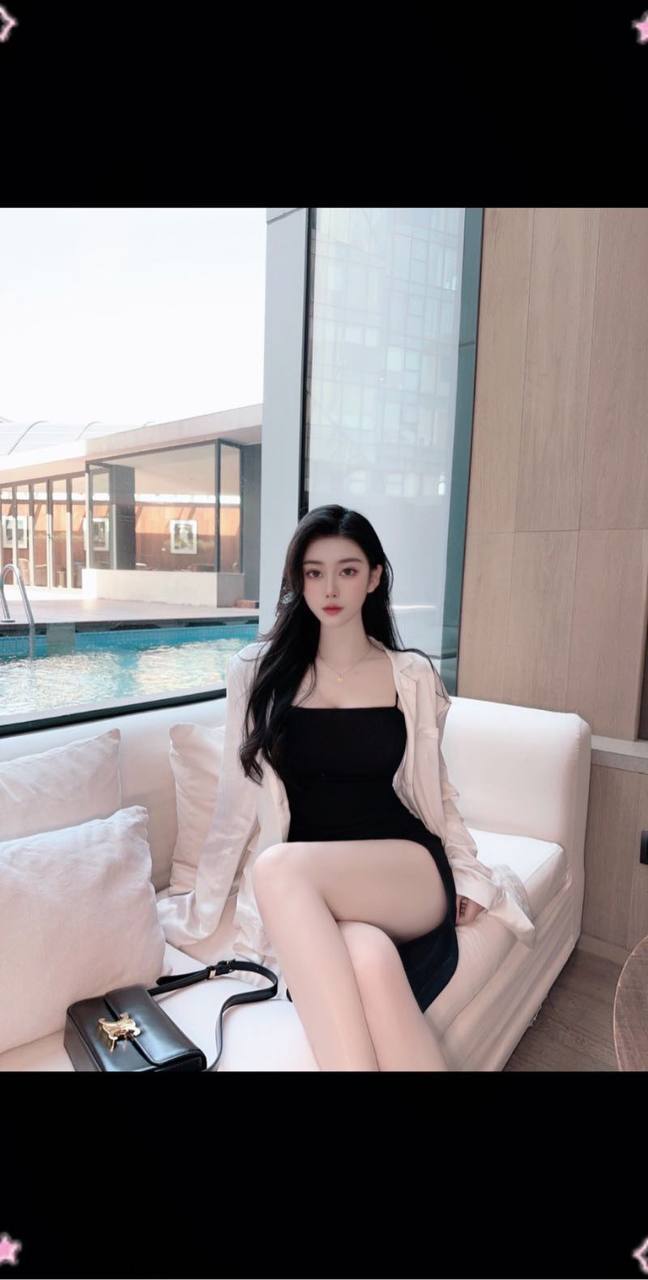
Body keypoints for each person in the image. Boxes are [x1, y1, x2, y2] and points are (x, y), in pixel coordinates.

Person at [159, 503, 535, 1071]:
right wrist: (202, 906)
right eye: (314, 572)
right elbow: (236, 805)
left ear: (375, 577)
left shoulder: (411, 675)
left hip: (404, 868)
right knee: (370, 957)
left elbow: (439, 794)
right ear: (299, 580)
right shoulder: (256, 673)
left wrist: (468, 874)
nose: (330, 588)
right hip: (322, 889)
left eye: (348, 570)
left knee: (276, 869)